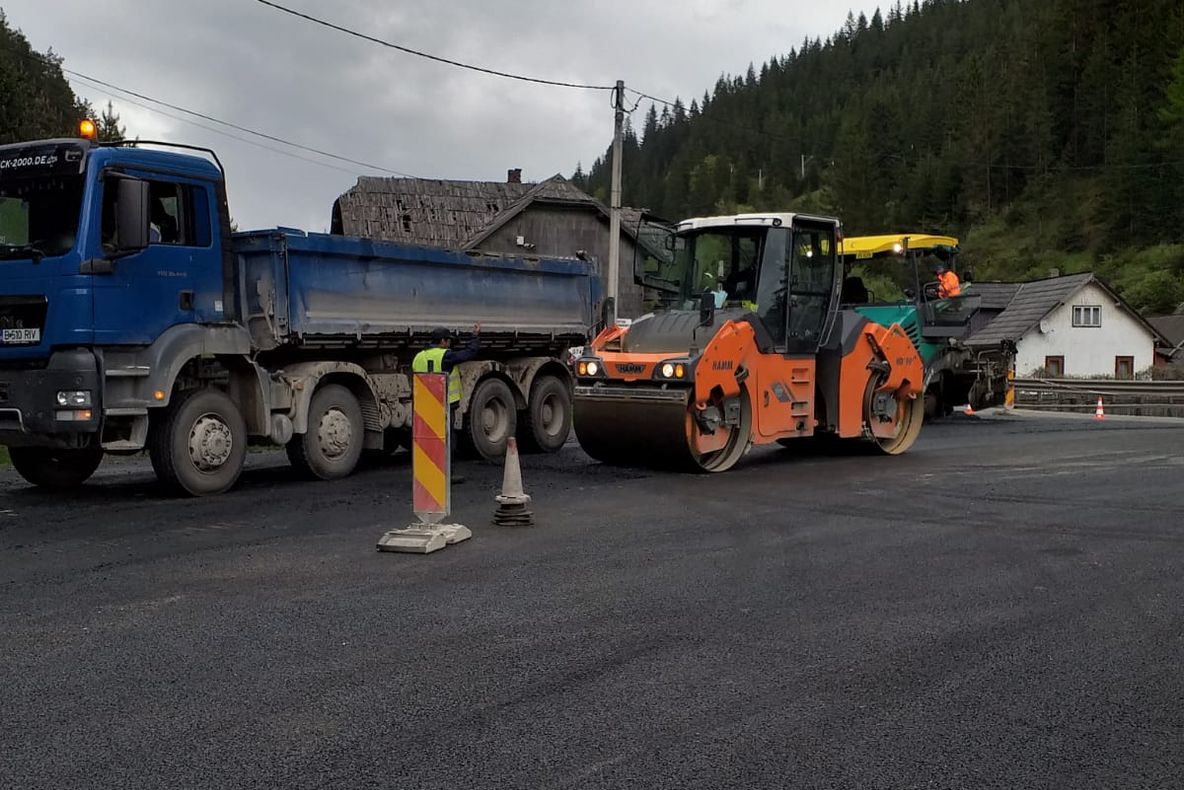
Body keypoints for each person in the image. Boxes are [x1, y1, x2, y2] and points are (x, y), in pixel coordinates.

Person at [412, 323, 481, 479]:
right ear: (443, 341)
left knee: (428, 440)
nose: (449, 343)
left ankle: (427, 473)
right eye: (448, 340)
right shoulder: (445, 355)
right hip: (444, 404)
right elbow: (469, 353)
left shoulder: (419, 357)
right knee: (448, 440)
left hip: (425, 405)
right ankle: (446, 475)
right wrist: (475, 337)